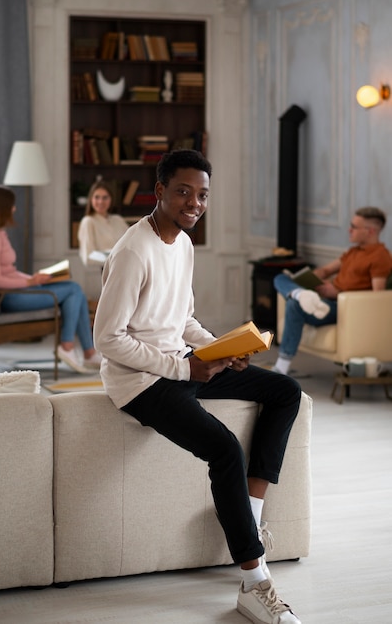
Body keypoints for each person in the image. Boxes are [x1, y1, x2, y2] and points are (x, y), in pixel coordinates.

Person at [94, 149, 303, 623]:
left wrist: (219, 348)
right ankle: (255, 583)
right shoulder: (132, 251)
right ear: (160, 190)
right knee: (225, 448)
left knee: (285, 391)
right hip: (141, 383)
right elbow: (107, 340)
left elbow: (182, 318)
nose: (194, 202)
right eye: (184, 191)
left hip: (181, 364)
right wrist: (188, 370)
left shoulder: (183, 243)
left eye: (202, 194)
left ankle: (248, 513)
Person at [0, 184, 101, 374]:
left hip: (18, 291)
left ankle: (89, 353)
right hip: (9, 298)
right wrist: (30, 282)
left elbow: (8, 271)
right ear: (1, 207)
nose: (14, 209)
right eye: (11, 205)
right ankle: (67, 347)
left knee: (77, 292)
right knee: (74, 290)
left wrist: (35, 278)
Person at [272, 206, 392, 375]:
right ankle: (300, 293)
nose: (349, 230)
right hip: (323, 298)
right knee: (280, 278)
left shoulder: (380, 256)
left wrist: (337, 294)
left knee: (294, 305)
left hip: (340, 308)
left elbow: (376, 298)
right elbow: (326, 270)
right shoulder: (353, 252)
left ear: (370, 231)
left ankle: (281, 367)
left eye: (354, 226)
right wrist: (310, 278)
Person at [77, 179, 129, 266]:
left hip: (126, 268)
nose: (101, 201)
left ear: (111, 199)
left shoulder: (118, 220)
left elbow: (132, 244)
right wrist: (116, 258)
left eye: (105, 197)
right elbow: (88, 257)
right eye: (97, 197)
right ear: (91, 199)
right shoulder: (88, 222)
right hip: (105, 271)